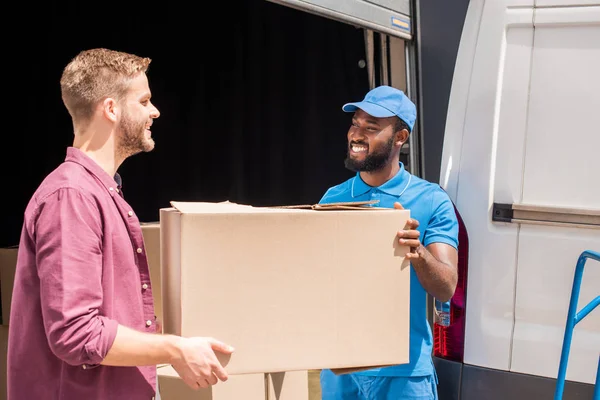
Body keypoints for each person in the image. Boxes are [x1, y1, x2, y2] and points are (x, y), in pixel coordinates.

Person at [7, 48, 234, 400]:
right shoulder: (73, 197)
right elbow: (76, 333)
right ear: (111, 109)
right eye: (143, 101)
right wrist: (175, 349)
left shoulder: (99, 192)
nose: (154, 111)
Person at [319, 85, 459, 400]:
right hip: (341, 369)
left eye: (371, 128)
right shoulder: (332, 199)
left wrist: (418, 251)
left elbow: (446, 286)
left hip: (404, 373)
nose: (357, 134)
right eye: (355, 123)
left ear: (400, 138)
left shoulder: (431, 199)